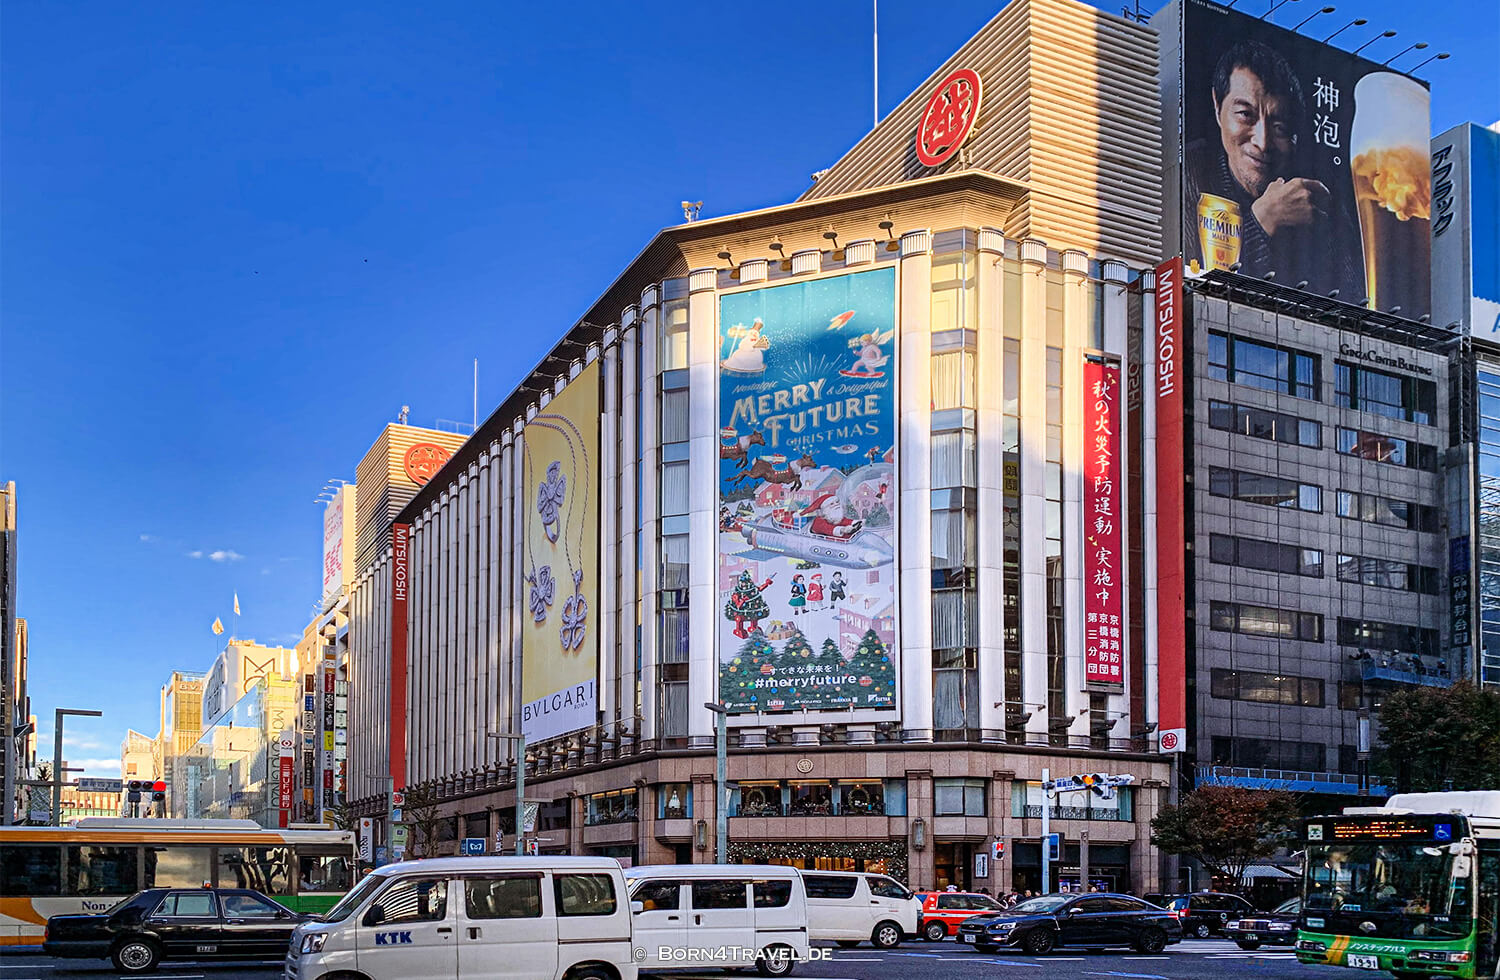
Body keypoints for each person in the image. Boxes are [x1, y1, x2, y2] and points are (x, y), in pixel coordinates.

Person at [1182, 39, 1362, 297]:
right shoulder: (1189, 174)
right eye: (1245, 114)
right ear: (1217, 105)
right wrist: (1260, 223)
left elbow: (1353, 303)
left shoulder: (1318, 196)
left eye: (1280, 127)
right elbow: (1201, 290)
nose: (1263, 142)